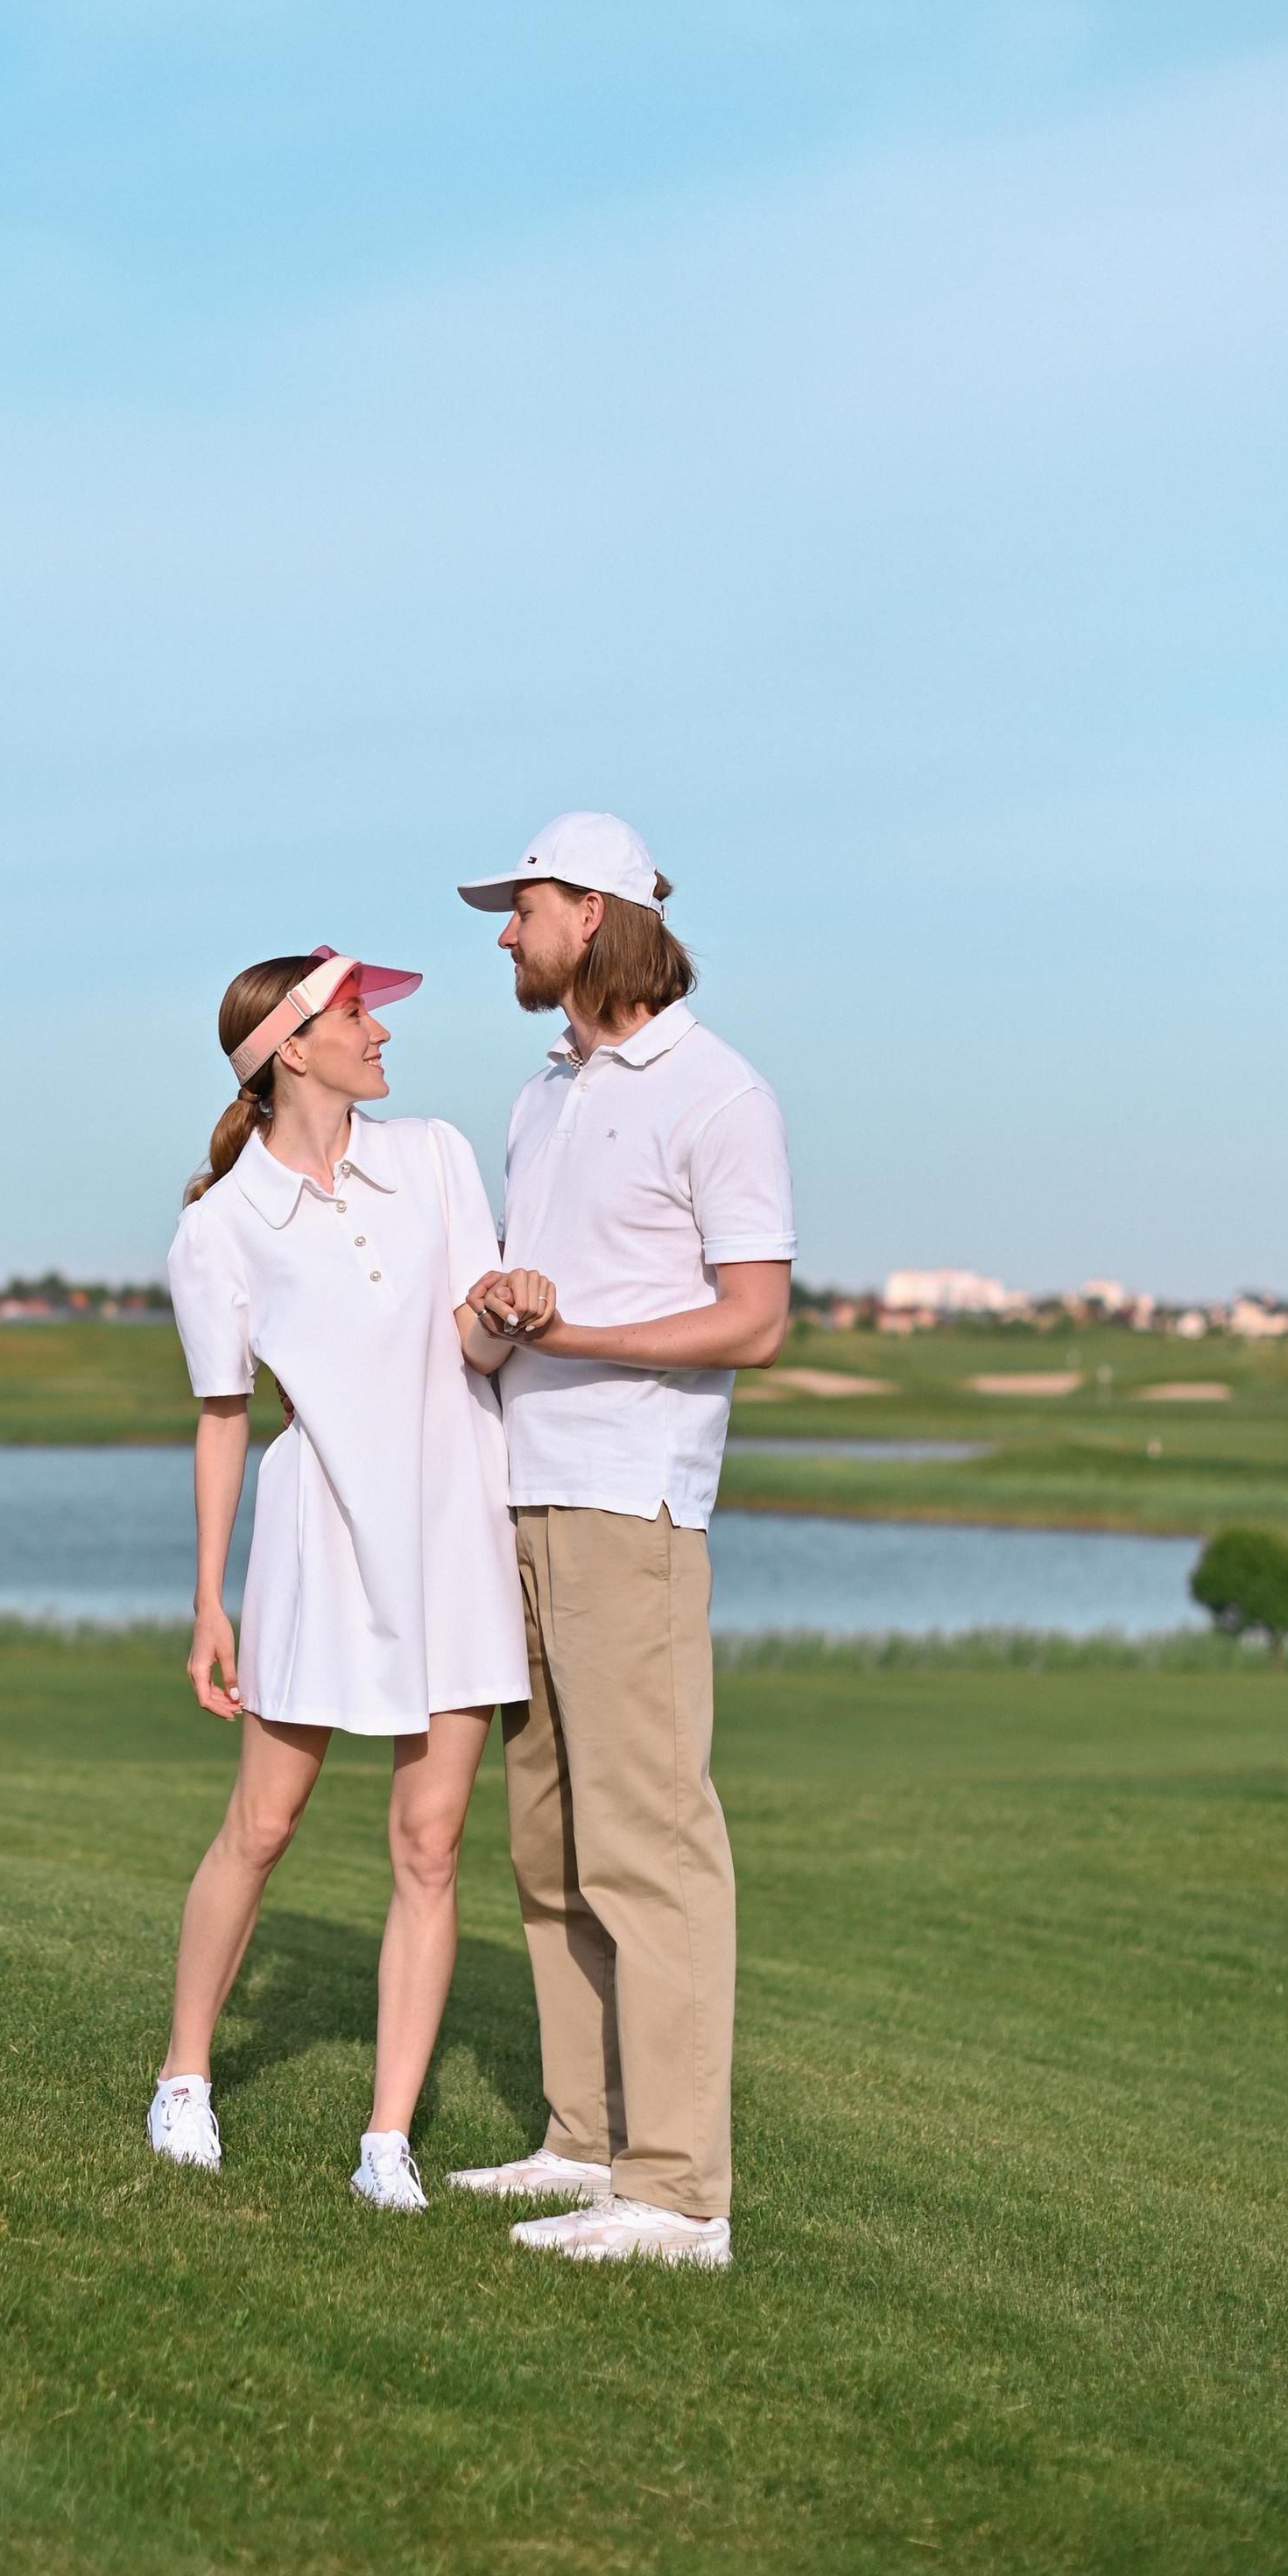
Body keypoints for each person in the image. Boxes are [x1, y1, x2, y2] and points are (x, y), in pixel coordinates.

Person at [442, 813, 794, 2269]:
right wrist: (508, 1311)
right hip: (521, 1486)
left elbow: (755, 1317)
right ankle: (582, 2141)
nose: (501, 932)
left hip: (631, 1501)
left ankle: (679, 2194)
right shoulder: (544, 1096)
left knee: (648, 1843)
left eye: (518, 906)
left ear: (590, 913)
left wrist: (573, 1329)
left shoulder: (718, 1091)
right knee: (547, 1838)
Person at [151, 947, 549, 2211]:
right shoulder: (217, 1232)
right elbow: (224, 1419)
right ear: (288, 1050)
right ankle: (184, 2079)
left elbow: (470, 1347)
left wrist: (509, 1305)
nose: (379, 1031)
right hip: (321, 1546)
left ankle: (388, 2143)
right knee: (262, 1826)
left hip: (455, 1535)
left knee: (431, 1847)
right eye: (355, 1013)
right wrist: (210, 1599)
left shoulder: (432, 1155)